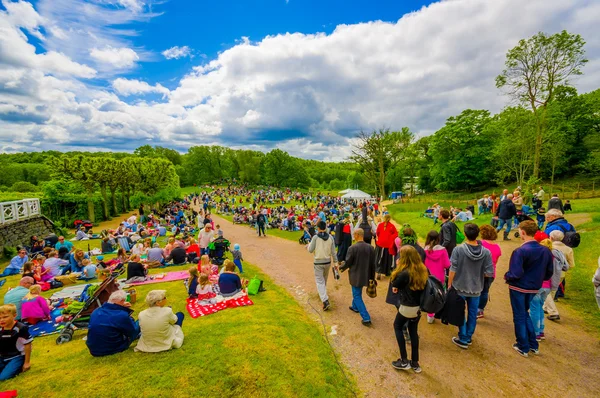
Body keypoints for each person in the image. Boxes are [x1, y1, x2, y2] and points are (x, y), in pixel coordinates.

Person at [505, 220, 553, 357]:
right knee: (524, 313)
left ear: (523, 232)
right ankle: (533, 344)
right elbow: (549, 272)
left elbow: (516, 273)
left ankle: (523, 345)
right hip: (534, 286)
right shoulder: (545, 250)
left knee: (519, 316)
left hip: (519, 287)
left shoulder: (520, 251)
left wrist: (507, 276)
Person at [448, 223, 494, 349]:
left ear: (464, 234)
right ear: (477, 234)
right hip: (476, 287)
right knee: (473, 313)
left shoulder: (458, 249)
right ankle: (468, 336)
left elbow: (453, 268)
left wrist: (449, 284)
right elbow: (489, 272)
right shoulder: (486, 252)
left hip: (460, 285)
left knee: (460, 312)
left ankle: (462, 337)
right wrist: (477, 277)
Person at [390, 246, 428, 374]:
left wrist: (397, 267)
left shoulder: (404, 273)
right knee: (413, 332)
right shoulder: (422, 269)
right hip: (418, 307)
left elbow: (394, 283)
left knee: (397, 326)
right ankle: (415, 362)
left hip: (407, 306)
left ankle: (404, 360)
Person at [530, 238, 568, 341]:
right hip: (548, 286)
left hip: (537, 285)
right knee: (540, 308)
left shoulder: (540, 257)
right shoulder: (555, 256)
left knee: (534, 309)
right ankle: (541, 331)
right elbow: (565, 266)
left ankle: (535, 332)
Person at [340, 228, 376, 326]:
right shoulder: (370, 248)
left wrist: (341, 267)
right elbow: (373, 264)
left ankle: (366, 318)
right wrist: (372, 277)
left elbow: (348, 262)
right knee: (357, 293)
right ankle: (355, 307)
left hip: (356, 275)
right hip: (366, 275)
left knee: (357, 295)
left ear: (356, 235)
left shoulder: (352, 248)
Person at [86, 290, 140, 357]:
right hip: (112, 349)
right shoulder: (121, 315)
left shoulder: (96, 311)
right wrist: (125, 311)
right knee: (140, 321)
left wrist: (122, 309)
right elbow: (133, 331)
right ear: (122, 301)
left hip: (94, 350)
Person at [543, 230, 575, 321]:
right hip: (561, 273)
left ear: (551, 237)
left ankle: (553, 312)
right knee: (553, 290)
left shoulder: (549, 247)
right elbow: (571, 264)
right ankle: (546, 307)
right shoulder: (568, 249)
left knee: (546, 291)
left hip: (549, 272)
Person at [308, 221, 338, 311]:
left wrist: (309, 244)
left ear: (318, 227)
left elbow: (310, 250)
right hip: (327, 261)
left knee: (319, 281)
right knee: (324, 279)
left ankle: (325, 300)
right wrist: (336, 262)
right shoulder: (330, 237)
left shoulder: (315, 237)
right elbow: (333, 251)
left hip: (318, 261)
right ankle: (323, 293)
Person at [423, 230, 450, 324]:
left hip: (428, 277)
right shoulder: (443, 250)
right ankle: (438, 311)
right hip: (440, 277)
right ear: (438, 238)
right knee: (440, 294)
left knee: (429, 295)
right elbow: (447, 264)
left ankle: (430, 314)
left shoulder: (425, 250)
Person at [0, 304, 32, 380]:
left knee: (3, 377)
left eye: (5, 317)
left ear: (14, 316)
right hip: (2, 356)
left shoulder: (21, 328)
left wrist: (27, 362)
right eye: (0, 318)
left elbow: (28, 344)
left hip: (17, 356)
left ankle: (16, 366)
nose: (2, 320)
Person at [477, 225, 502, 318]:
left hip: (478, 271)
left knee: (475, 291)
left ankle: (473, 307)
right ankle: (480, 309)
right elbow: (495, 261)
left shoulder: (480, 243)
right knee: (485, 291)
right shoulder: (497, 247)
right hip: (491, 272)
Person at [375, 213, 398, 279]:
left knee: (380, 258)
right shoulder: (392, 226)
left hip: (380, 244)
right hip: (388, 245)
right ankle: (387, 271)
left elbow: (378, 233)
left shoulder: (380, 225)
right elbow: (396, 234)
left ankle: (379, 271)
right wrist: (390, 238)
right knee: (387, 258)